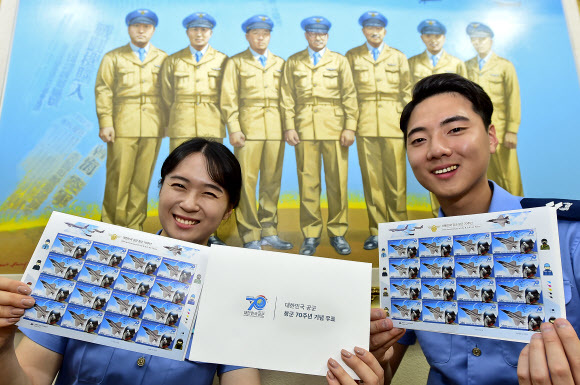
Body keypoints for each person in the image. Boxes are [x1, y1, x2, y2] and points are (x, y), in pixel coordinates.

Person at [369, 73, 580, 384]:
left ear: (492, 137)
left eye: (455, 130)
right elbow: (384, 370)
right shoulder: (409, 252)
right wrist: (372, 366)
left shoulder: (568, 235)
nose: (437, 149)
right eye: (418, 140)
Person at [0, 138, 261, 384]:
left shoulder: (233, 295)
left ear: (229, 209)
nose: (189, 204)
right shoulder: (85, 260)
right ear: (161, 188)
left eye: (209, 193)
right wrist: (2, 349)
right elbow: (32, 377)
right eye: (179, 185)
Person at [281, 16, 358, 256]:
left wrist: (350, 127)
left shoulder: (340, 61)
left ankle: (337, 233)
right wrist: (289, 126)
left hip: (335, 128)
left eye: (322, 34)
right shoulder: (294, 61)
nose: (318, 37)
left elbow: (350, 95)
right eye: (313, 33)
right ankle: (311, 235)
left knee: (337, 184)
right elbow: (286, 97)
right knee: (308, 184)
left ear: (327, 36)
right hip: (304, 128)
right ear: (306, 35)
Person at [220, 15, 292, 251]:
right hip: (247, 130)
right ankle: (250, 234)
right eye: (256, 33)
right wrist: (234, 128)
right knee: (247, 183)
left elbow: (287, 98)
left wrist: (288, 126)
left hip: (274, 129)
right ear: (247, 36)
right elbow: (228, 99)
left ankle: (269, 230)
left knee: (272, 182)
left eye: (265, 33)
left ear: (270, 36)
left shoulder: (280, 63)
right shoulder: (236, 63)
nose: (261, 38)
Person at [95, 8, 167, 231]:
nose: (141, 30)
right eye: (137, 26)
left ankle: (135, 226)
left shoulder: (163, 58)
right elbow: (103, 90)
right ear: (129, 28)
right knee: (118, 179)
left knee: (141, 180)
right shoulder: (113, 57)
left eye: (146, 26)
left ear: (153, 30)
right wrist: (106, 122)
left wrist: (165, 123)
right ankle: (110, 225)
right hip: (122, 124)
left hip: (152, 126)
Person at [161, 12, 228, 246]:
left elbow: (229, 95)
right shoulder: (173, 61)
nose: (199, 34)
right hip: (182, 121)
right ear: (188, 32)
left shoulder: (223, 60)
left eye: (204, 30)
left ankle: (211, 232)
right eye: (194, 29)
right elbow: (165, 95)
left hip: (211, 121)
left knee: (211, 179)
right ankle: (170, 228)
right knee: (180, 178)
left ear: (210, 33)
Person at [345, 11, 411, 250]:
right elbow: (349, 93)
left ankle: (400, 229)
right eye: (369, 27)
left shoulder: (398, 57)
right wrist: (350, 125)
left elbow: (406, 92)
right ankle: (377, 231)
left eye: (379, 28)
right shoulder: (352, 56)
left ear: (385, 31)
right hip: (366, 123)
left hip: (394, 123)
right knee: (372, 182)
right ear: (363, 30)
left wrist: (407, 125)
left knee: (396, 181)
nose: (374, 31)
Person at [407, 19, 467, 217]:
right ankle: (439, 219)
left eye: (437, 36)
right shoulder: (412, 63)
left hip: (451, 131)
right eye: (428, 35)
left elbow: (467, 102)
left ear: (444, 38)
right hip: (424, 129)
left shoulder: (456, 63)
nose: (433, 40)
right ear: (422, 38)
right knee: (435, 173)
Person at [465, 22, 523, 197]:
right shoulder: (466, 66)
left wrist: (512, 130)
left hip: (501, 131)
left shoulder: (505, 66)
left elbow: (513, 98)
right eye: (474, 40)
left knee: (509, 178)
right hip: (477, 132)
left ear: (490, 40)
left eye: (482, 39)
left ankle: (521, 214)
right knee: (484, 179)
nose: (478, 43)